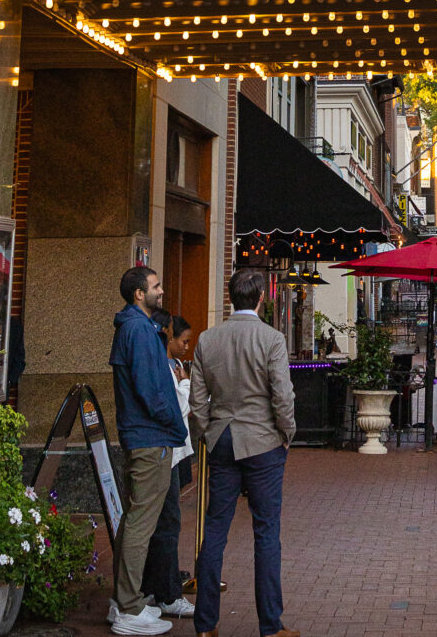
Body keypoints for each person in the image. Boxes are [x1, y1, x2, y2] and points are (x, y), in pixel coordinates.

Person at [189, 268, 298, 637]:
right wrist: (287, 431)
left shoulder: (208, 339)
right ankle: (270, 624)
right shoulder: (271, 339)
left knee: (215, 529)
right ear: (263, 298)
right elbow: (282, 394)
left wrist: (206, 433)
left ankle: (205, 624)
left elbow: (197, 399)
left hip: (222, 439)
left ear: (231, 297)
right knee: (266, 532)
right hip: (263, 441)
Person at [109, 267, 189, 636]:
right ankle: (128, 607)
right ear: (139, 294)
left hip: (146, 434)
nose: (161, 290)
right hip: (149, 436)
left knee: (135, 519)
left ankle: (126, 600)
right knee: (142, 523)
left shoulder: (138, 328)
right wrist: (170, 422)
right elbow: (149, 387)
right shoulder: (138, 330)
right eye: (156, 286)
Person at [140, 315, 195, 620]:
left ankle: (157, 583)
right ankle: (167, 592)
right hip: (166, 450)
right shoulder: (165, 367)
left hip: (171, 450)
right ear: (168, 337)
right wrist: (186, 383)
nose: (186, 347)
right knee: (168, 521)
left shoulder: (168, 365)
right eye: (183, 341)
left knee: (164, 520)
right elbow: (179, 407)